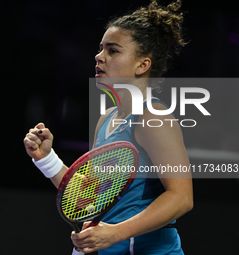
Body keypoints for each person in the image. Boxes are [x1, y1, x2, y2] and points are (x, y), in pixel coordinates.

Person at [23, 0, 193, 254]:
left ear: (142, 65)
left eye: (113, 51)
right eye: (101, 49)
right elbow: (91, 197)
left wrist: (115, 233)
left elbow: (181, 198)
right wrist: (46, 159)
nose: (99, 56)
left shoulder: (153, 118)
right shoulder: (106, 119)